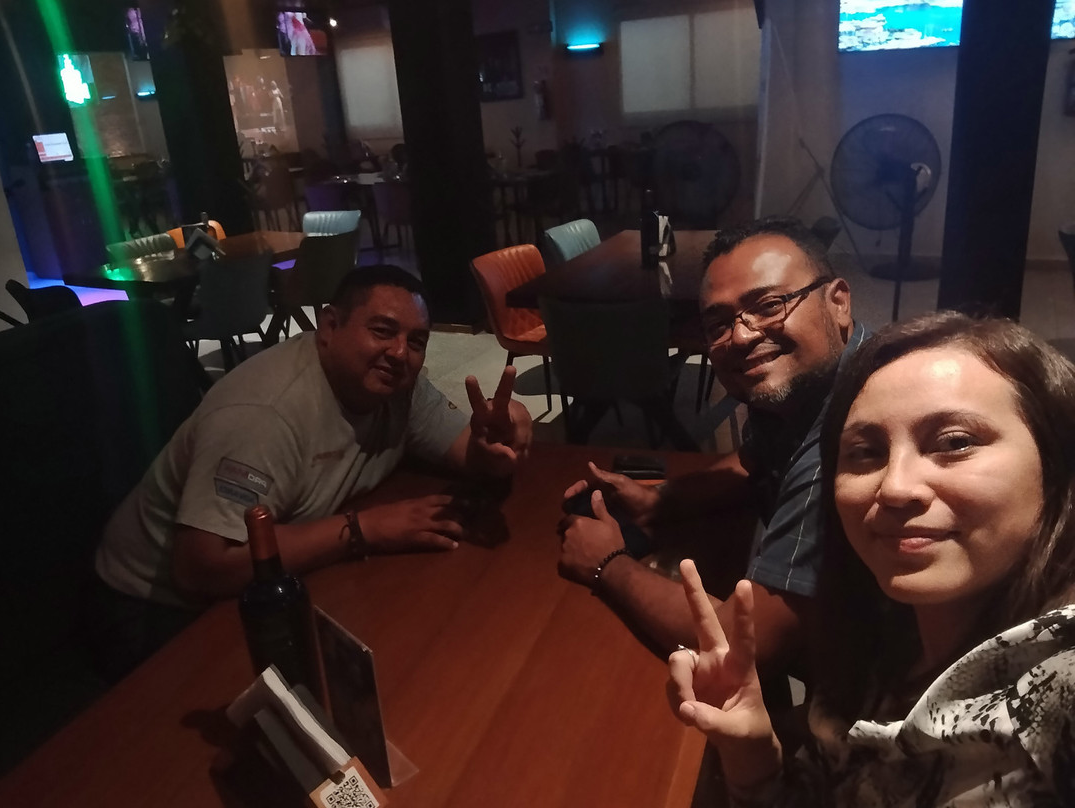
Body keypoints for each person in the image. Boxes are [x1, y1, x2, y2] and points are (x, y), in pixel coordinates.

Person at [668, 311, 1075, 805]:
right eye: (865, 452)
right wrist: (751, 759)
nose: (895, 487)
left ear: (1057, 465)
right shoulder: (877, 639)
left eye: (955, 442)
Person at [91, 265, 533, 679]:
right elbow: (202, 567)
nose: (400, 353)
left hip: (275, 572)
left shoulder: (399, 387)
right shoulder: (264, 415)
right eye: (382, 331)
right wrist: (364, 529)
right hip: (157, 607)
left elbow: (468, 452)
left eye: (416, 341)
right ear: (329, 327)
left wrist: (494, 447)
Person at [558, 216, 864, 672]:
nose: (741, 336)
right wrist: (659, 500)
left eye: (770, 305)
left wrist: (607, 563)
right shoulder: (805, 383)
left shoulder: (852, 442)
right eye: (718, 324)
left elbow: (744, 646)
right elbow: (754, 461)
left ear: (838, 301)